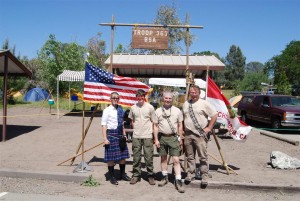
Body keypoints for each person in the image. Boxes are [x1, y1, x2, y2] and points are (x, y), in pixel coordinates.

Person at [182, 84, 218, 188]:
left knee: (203, 156)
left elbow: (214, 115)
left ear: (199, 93)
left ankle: (204, 176)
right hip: (188, 134)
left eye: (195, 92)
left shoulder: (204, 103)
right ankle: (190, 174)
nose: (193, 94)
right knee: (190, 156)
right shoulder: (185, 104)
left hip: (200, 134)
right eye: (191, 92)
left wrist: (209, 128)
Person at [153, 91, 185, 193]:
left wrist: (180, 138)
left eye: (169, 98)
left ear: (172, 99)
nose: (167, 100)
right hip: (162, 138)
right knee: (163, 159)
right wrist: (156, 139)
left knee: (176, 160)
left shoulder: (177, 111)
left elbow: (180, 125)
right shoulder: (157, 111)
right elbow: (155, 126)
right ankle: (164, 177)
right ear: (163, 98)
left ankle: (178, 180)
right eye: (166, 98)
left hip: (173, 138)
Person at [101, 92, 131, 185]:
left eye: (117, 98)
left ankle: (122, 174)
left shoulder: (121, 109)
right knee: (111, 158)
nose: (115, 99)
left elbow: (122, 124)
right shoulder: (107, 110)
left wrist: (125, 135)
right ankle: (112, 176)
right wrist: (105, 138)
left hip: (120, 135)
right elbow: (103, 125)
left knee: (123, 157)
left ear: (119, 99)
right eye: (113, 98)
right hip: (111, 134)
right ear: (110, 99)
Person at [128, 89, 156, 185]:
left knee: (149, 157)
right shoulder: (133, 108)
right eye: (138, 97)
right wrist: (135, 128)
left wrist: (152, 133)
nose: (140, 98)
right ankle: (136, 175)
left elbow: (154, 121)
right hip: (136, 135)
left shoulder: (150, 107)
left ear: (144, 97)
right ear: (136, 97)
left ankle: (150, 175)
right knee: (136, 156)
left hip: (147, 135)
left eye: (141, 97)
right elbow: (132, 120)